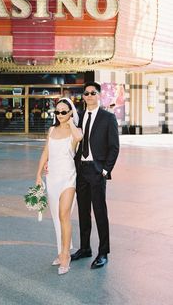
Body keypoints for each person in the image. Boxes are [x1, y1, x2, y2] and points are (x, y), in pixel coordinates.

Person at [71, 81, 120, 269]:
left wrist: (105, 170)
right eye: (86, 93)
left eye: (93, 93)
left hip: (97, 171)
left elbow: (114, 147)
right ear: (83, 97)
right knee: (83, 212)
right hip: (81, 170)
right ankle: (85, 248)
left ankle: (103, 252)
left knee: (100, 212)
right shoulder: (79, 116)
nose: (89, 96)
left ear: (99, 95)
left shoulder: (108, 118)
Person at [36, 98, 83, 275]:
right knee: (56, 217)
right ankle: (61, 250)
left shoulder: (75, 131)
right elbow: (46, 152)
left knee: (64, 215)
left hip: (68, 177)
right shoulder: (51, 130)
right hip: (52, 178)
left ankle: (66, 255)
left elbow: (79, 137)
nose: (60, 114)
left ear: (70, 113)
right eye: (57, 112)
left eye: (64, 111)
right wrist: (38, 175)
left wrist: (70, 121)